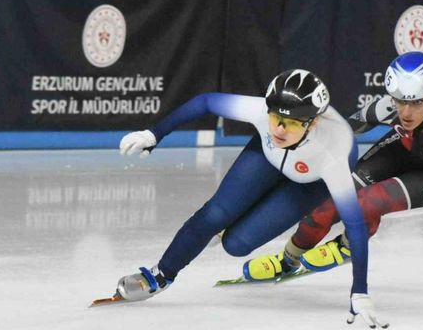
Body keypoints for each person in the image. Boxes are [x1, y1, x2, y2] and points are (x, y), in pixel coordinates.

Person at [114, 69, 387, 328]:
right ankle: (162, 274)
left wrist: (360, 291)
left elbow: (354, 225)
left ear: (313, 122)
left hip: (309, 182)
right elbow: (206, 101)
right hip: (268, 157)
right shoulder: (263, 114)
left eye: (291, 123)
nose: (279, 129)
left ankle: (221, 232)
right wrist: (153, 134)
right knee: (214, 215)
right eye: (275, 117)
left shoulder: (333, 155)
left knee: (236, 244)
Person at [244, 52, 423, 314]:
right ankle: (288, 259)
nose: (406, 112)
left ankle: (347, 245)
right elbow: (344, 130)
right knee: (328, 200)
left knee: (367, 201)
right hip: (404, 149)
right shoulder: (388, 107)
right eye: (400, 101)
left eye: (416, 103)